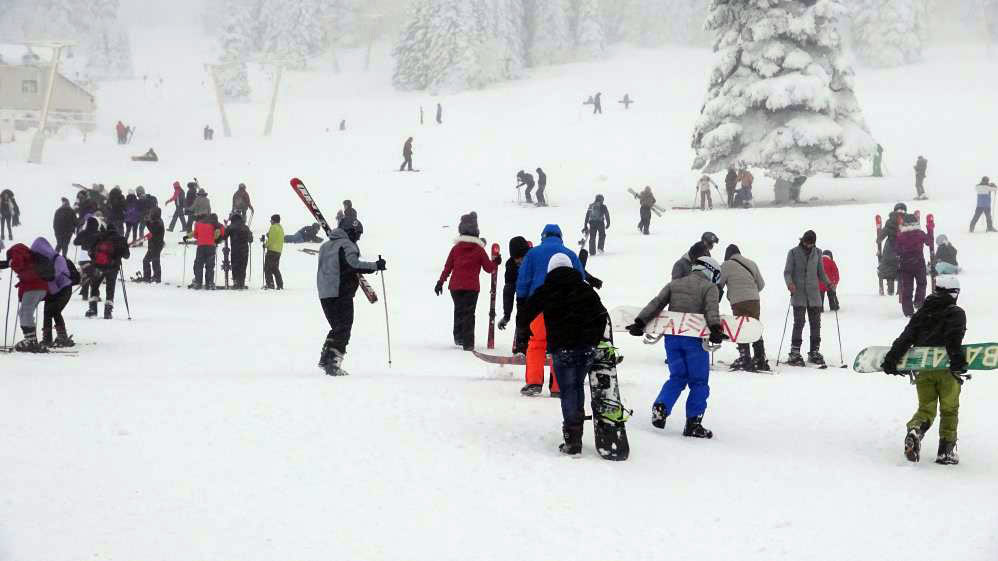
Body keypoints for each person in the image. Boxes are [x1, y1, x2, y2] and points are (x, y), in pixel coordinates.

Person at [518, 253, 608, 455]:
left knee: (568, 391)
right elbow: (602, 316)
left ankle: (572, 439)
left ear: (551, 269)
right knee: (577, 387)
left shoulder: (547, 289)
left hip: (562, 348)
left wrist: (524, 333)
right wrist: (593, 340)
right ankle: (577, 433)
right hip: (585, 348)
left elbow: (525, 313)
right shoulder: (585, 289)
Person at [627, 256, 724, 438]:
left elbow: (656, 303)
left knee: (677, 377)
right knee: (699, 382)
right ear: (710, 270)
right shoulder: (709, 287)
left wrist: (640, 322)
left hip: (672, 338)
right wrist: (716, 329)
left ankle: (661, 407)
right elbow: (712, 310)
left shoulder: (675, 284)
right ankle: (693, 424)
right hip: (694, 340)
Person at [881, 275, 966, 465]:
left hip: (923, 369)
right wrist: (958, 361)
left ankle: (915, 430)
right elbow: (953, 339)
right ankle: (946, 451)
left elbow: (906, 337)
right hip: (946, 369)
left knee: (926, 408)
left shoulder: (923, 312)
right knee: (949, 410)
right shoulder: (956, 313)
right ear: (954, 293)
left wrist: (892, 359)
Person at [514, 225, 585, 397]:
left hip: (538, 304)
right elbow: (580, 278)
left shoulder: (532, 254)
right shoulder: (570, 254)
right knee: (560, 345)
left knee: (536, 343)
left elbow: (523, 280)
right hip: (564, 306)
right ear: (560, 237)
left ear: (543, 237)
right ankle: (558, 386)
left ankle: (534, 382)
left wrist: (522, 302)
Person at [316, 218, 386, 376]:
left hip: (325, 293)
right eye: (357, 234)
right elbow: (353, 264)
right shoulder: (347, 244)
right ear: (351, 231)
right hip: (341, 292)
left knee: (337, 327)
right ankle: (333, 363)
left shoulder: (325, 246)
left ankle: (326, 358)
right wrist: (375, 265)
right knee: (344, 328)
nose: (358, 238)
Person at [434, 213, 501, 351]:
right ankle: (468, 343)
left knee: (459, 310)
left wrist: (440, 282)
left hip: (455, 287)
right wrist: (496, 262)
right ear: (476, 230)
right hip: (471, 287)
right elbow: (489, 269)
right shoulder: (479, 250)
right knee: (469, 314)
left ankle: (458, 337)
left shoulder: (456, 249)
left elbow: (448, 267)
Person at [783, 230, 832, 366]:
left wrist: (828, 283)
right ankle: (795, 352)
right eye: (806, 243)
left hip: (814, 295)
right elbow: (787, 272)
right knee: (799, 323)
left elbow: (821, 273)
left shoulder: (818, 253)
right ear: (803, 240)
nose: (809, 245)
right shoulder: (793, 253)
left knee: (815, 324)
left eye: (811, 243)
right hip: (798, 294)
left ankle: (814, 351)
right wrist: (790, 284)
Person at [718, 245, 768, 372]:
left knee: (741, 328)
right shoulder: (751, 263)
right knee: (754, 326)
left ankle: (744, 358)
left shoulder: (726, 265)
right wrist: (750, 291)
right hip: (754, 300)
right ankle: (760, 358)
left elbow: (719, 284)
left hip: (739, 300)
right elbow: (761, 285)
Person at [0, 243, 50, 352]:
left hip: (34, 286)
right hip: (39, 286)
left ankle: (31, 341)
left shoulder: (16, 250)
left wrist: (11, 262)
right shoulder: (26, 253)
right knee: (24, 312)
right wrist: (8, 263)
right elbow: (11, 264)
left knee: (25, 312)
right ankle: (30, 339)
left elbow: (17, 263)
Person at [31, 237, 75, 347]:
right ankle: (52, 337)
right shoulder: (41, 262)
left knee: (53, 311)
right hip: (52, 292)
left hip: (64, 290)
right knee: (49, 312)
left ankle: (56, 338)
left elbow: (54, 276)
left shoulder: (58, 258)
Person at [87, 224, 130, 319]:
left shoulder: (100, 237)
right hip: (113, 268)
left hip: (98, 267)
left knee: (94, 286)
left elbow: (90, 252)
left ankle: (93, 309)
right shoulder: (121, 239)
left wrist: (96, 259)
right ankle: (108, 312)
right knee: (110, 289)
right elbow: (127, 256)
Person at [497, 236, 531, 349]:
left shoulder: (535, 258)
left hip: (538, 297)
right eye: (516, 258)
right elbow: (509, 291)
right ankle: (521, 348)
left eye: (522, 257)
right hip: (522, 300)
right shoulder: (511, 265)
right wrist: (506, 315)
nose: (519, 261)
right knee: (521, 321)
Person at [896, 214, 930, 317]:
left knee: (907, 288)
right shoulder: (920, 233)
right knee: (922, 283)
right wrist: (930, 229)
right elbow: (929, 242)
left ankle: (908, 311)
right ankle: (919, 302)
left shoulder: (901, 236)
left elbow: (896, 250)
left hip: (905, 264)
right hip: (919, 263)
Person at [185, 214, 224, 290]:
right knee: (210, 266)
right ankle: (209, 283)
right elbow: (220, 232)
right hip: (211, 247)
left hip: (201, 247)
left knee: (199, 265)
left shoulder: (198, 224)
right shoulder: (215, 224)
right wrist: (215, 239)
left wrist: (186, 237)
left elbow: (195, 234)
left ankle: (198, 282)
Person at [878, 202, 906, 295]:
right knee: (902, 270)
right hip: (903, 249)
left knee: (889, 271)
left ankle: (890, 291)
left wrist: (879, 239)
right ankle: (900, 291)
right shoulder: (908, 221)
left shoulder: (890, 222)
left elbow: (881, 236)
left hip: (890, 249)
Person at [225, 213, 253, 289]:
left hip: (235, 250)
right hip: (245, 250)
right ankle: (241, 283)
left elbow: (224, 236)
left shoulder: (231, 226)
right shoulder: (246, 227)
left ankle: (236, 282)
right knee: (243, 266)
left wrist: (226, 227)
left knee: (235, 266)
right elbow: (251, 239)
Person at [139, 207, 165, 283]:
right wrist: (148, 221)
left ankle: (156, 277)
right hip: (154, 244)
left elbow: (153, 230)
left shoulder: (158, 222)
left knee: (154, 261)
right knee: (148, 260)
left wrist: (147, 222)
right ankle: (149, 277)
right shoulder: (157, 221)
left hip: (156, 245)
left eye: (151, 213)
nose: (150, 214)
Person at [264, 214, 284, 290]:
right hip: (278, 251)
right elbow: (277, 238)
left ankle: (270, 284)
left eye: (271, 220)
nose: (270, 221)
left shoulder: (273, 227)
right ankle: (280, 284)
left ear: (274, 220)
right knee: (275, 268)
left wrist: (265, 245)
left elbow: (271, 240)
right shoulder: (281, 228)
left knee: (268, 268)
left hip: (272, 250)